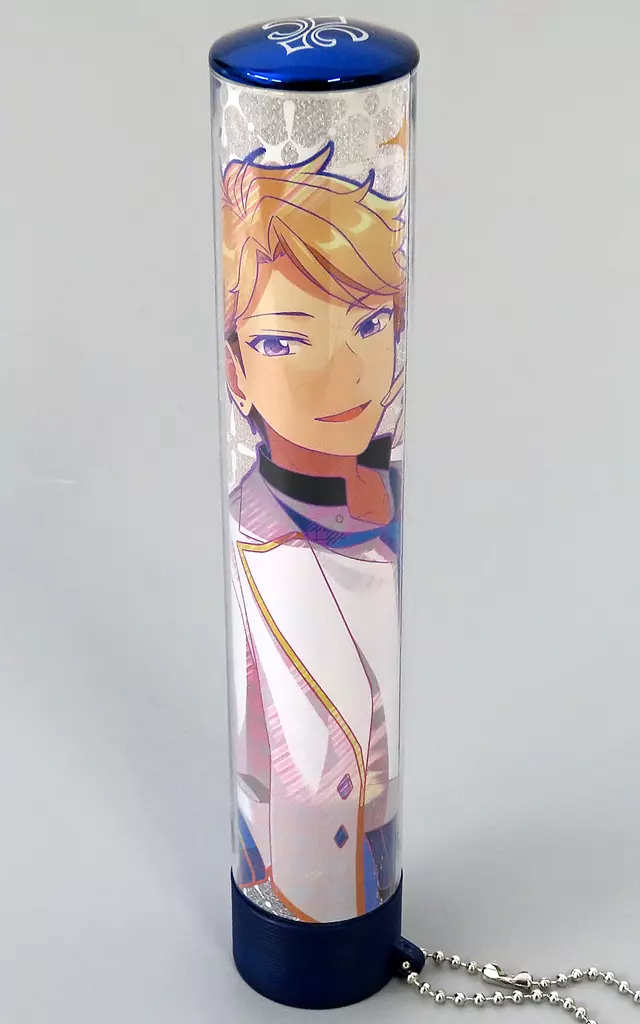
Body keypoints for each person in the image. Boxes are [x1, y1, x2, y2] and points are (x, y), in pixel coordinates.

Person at [222, 143, 407, 923]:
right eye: (283, 341)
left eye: (369, 323)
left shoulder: (385, 498)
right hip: (299, 884)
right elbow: (289, 769)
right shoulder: (260, 539)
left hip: (370, 866)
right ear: (237, 370)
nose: (343, 370)